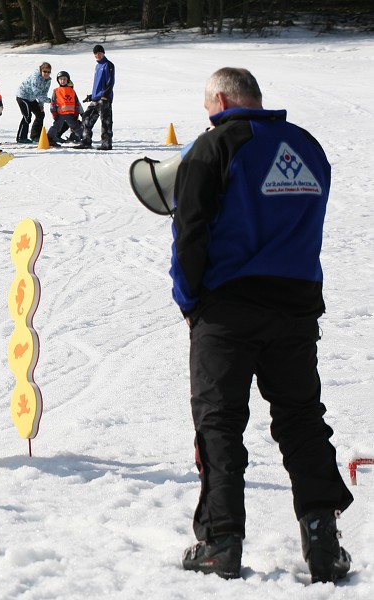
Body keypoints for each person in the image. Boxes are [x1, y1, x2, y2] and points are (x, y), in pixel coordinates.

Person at [172, 67, 353, 583]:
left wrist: (190, 301)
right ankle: (322, 542)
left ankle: (221, 542)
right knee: (301, 419)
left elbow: (189, 234)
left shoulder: (214, 147)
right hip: (295, 307)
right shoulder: (306, 147)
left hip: (227, 309)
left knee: (220, 421)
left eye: (209, 106)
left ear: (223, 99)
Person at [76, 45, 115, 150]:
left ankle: (106, 144)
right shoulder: (97, 66)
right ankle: (86, 142)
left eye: (99, 53)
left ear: (103, 53)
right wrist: (91, 96)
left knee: (105, 121)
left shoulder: (108, 65)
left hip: (104, 99)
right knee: (86, 117)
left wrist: (105, 95)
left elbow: (110, 82)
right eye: (95, 53)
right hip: (96, 99)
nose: (97, 55)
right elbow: (97, 85)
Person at [15, 63, 52, 144]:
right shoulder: (35, 77)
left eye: (48, 72)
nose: (46, 74)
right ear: (40, 70)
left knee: (40, 114)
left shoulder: (48, 80)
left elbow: (44, 92)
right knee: (27, 116)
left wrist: (41, 104)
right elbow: (37, 93)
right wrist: (50, 101)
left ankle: (35, 136)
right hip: (22, 96)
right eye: (44, 71)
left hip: (31, 98)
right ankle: (21, 137)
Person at [47, 70, 83, 147]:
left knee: (76, 127)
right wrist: (54, 113)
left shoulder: (72, 90)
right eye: (61, 79)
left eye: (64, 79)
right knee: (56, 127)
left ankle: (85, 138)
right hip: (60, 114)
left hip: (71, 115)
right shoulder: (56, 91)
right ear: (58, 80)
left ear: (67, 80)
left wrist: (76, 113)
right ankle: (49, 139)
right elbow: (53, 103)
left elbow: (76, 103)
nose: (62, 81)